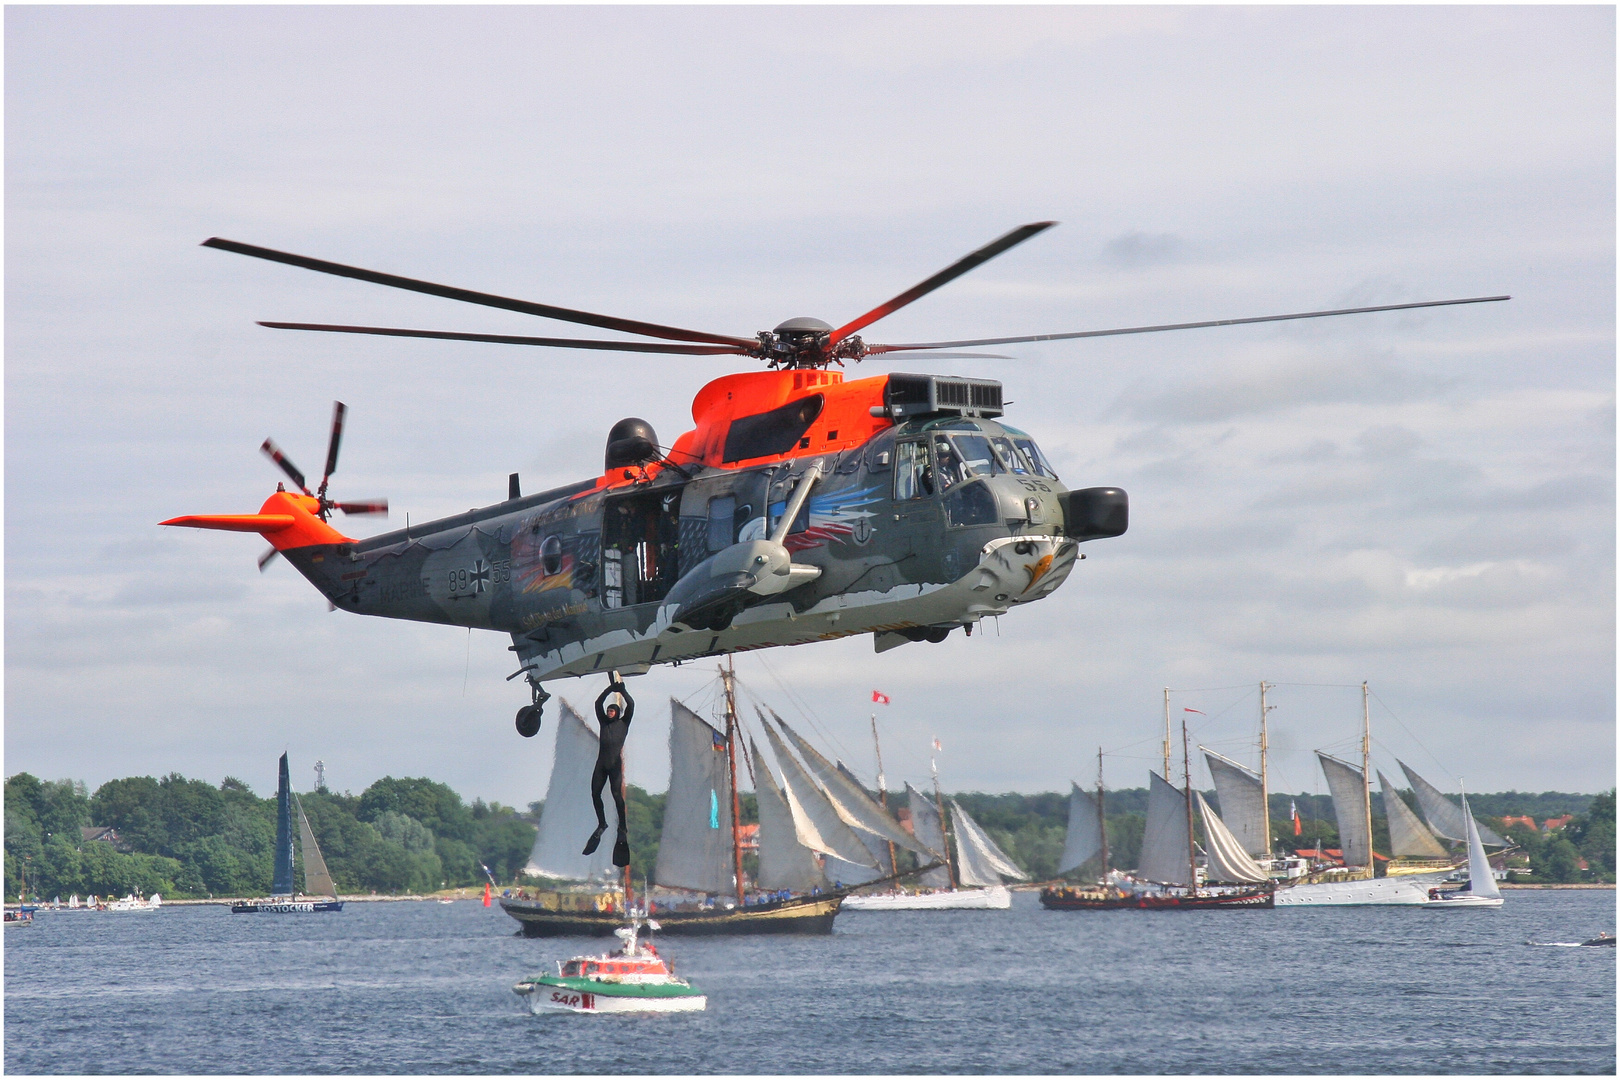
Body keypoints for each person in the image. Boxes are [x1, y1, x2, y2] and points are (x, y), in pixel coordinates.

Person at [582, 671, 634, 866]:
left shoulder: (624, 723)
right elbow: (597, 703)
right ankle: (602, 823)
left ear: (617, 713)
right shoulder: (603, 722)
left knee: (616, 795)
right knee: (595, 794)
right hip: (601, 764)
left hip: (614, 765)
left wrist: (623, 691)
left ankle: (622, 826)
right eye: (609, 711)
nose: (609, 713)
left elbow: (632, 705)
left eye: (612, 711)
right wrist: (610, 689)